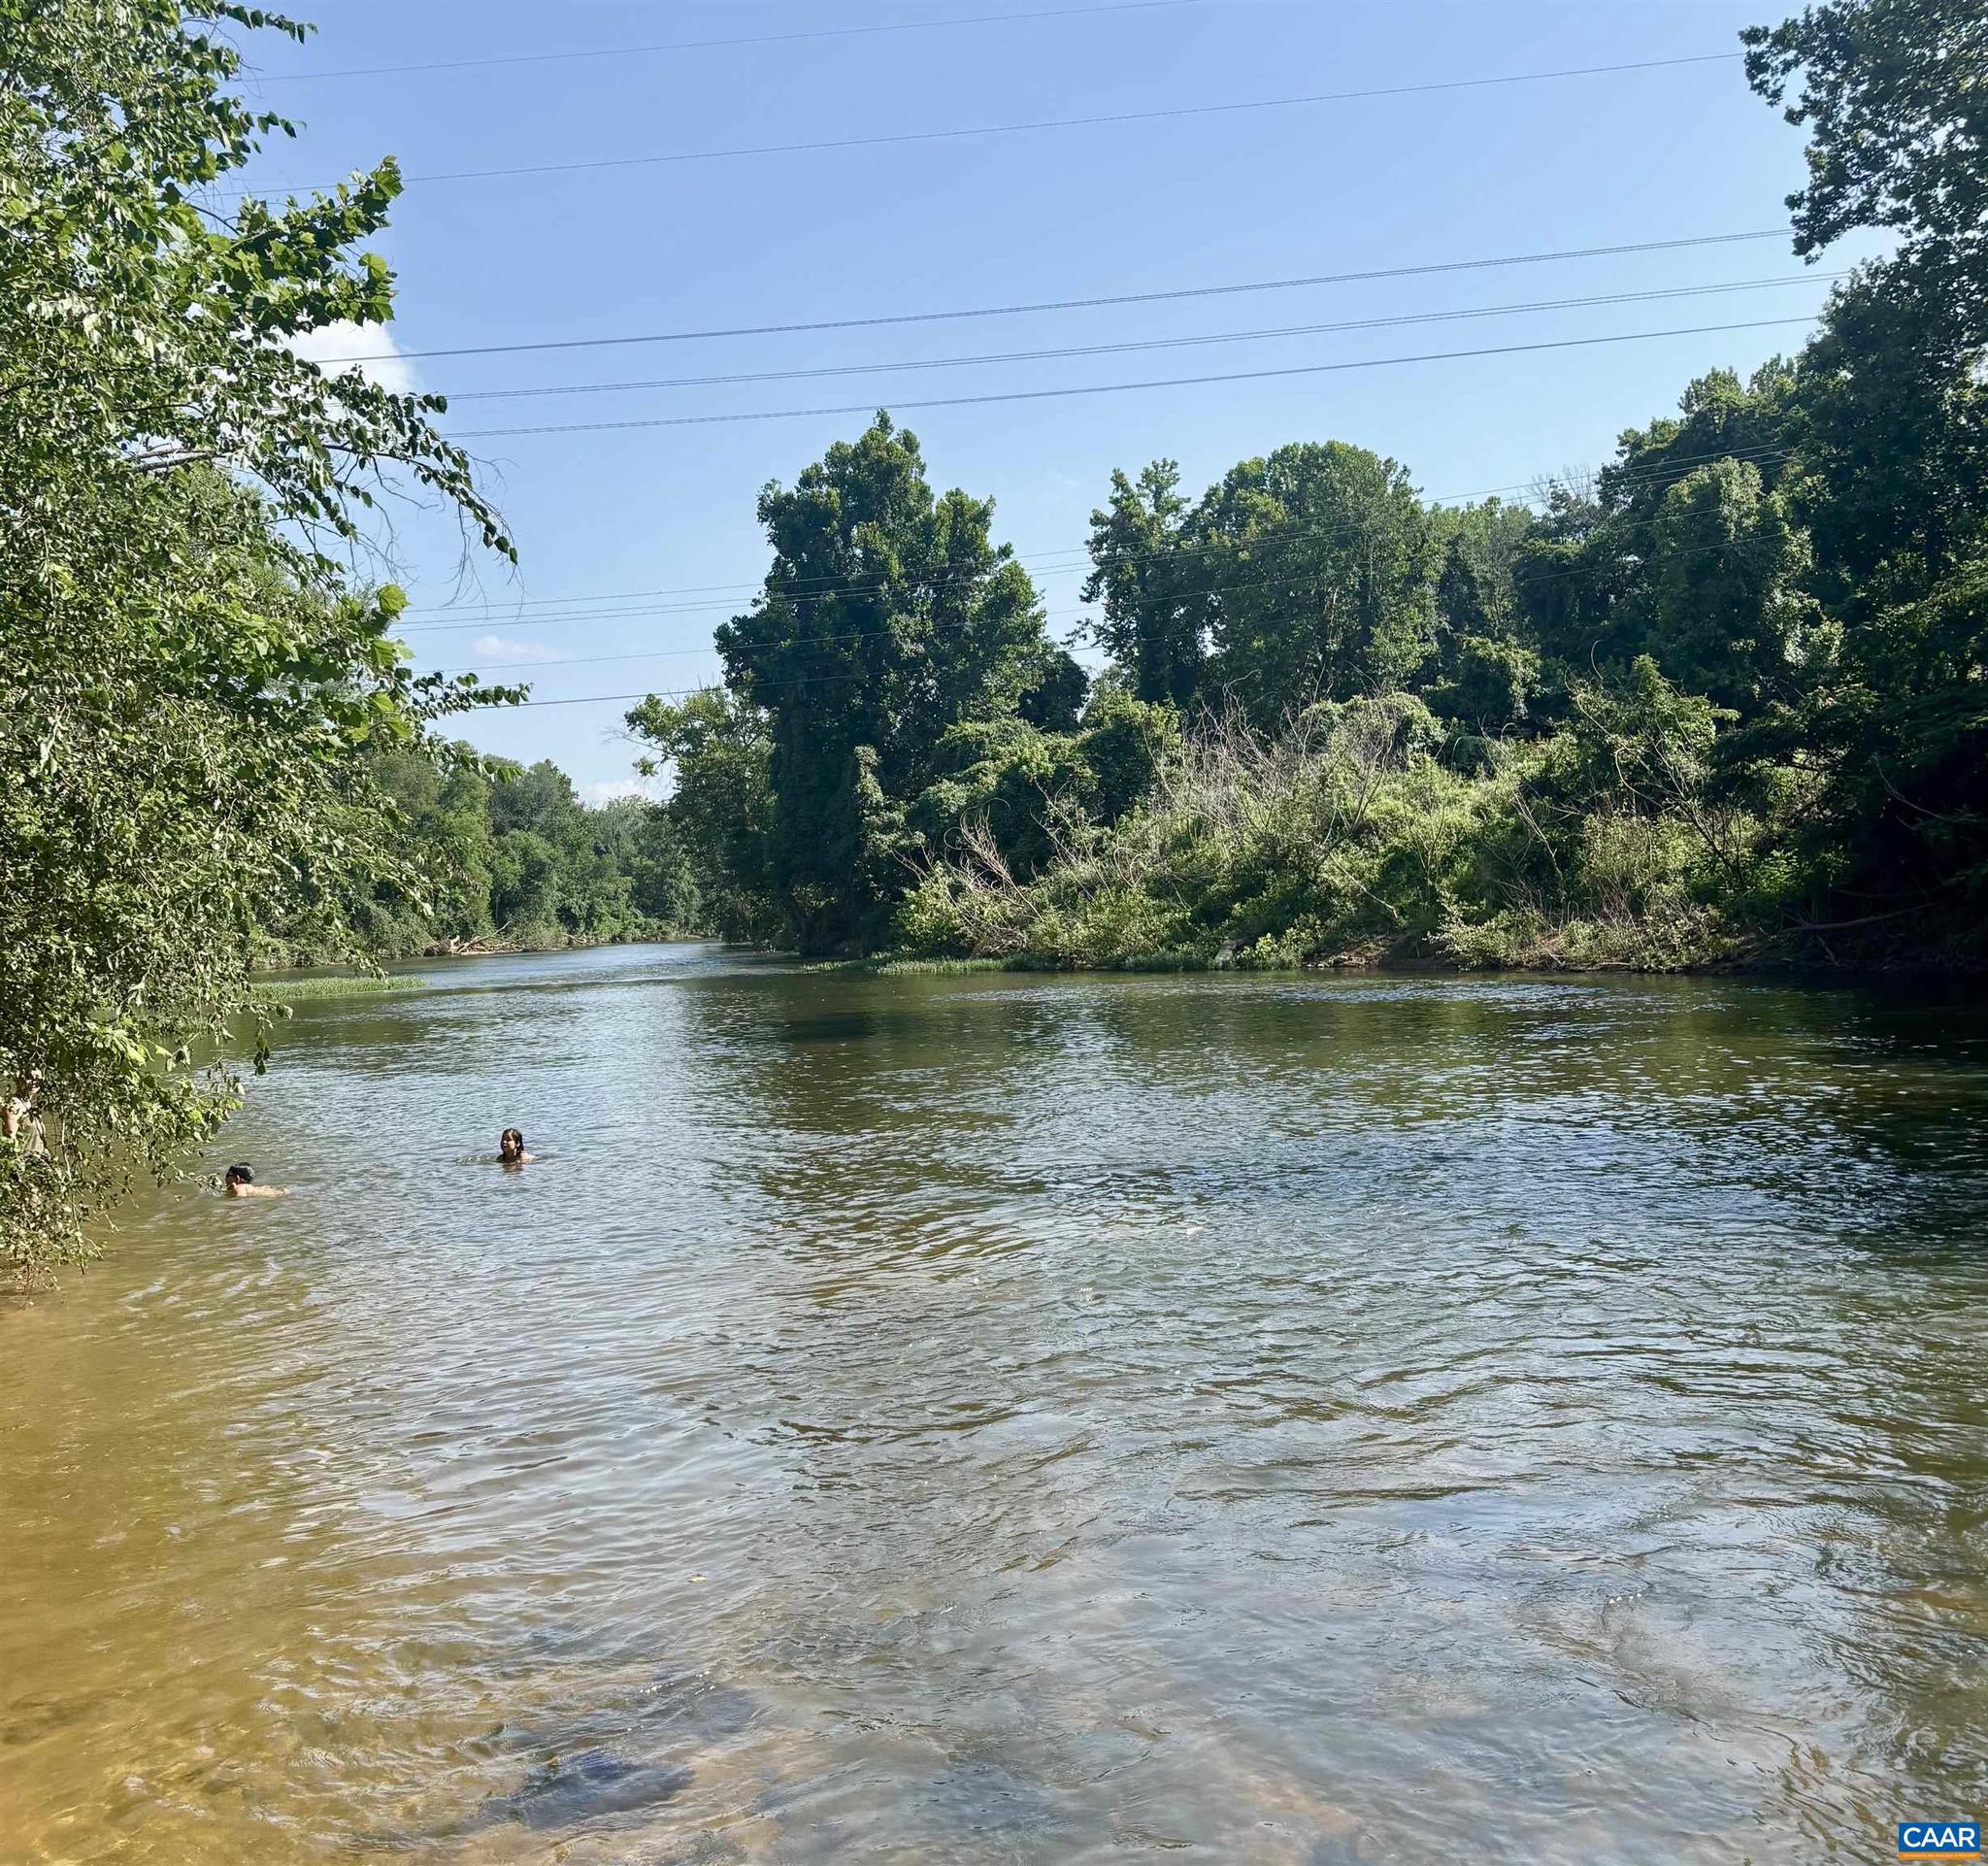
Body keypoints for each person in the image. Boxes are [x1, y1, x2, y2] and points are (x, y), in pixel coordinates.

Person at [3, 1077, 47, 1157]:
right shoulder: (14, 1105)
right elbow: (10, 1141)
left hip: (38, 1161)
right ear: (19, 1079)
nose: (34, 1082)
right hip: (25, 1164)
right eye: (30, 1077)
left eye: (37, 1078)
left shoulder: (28, 1103)